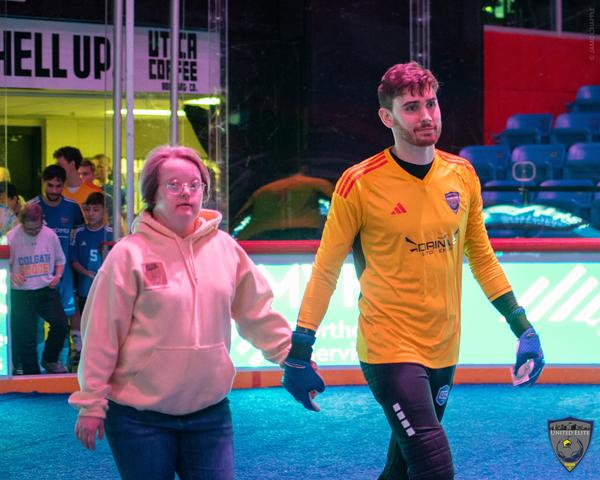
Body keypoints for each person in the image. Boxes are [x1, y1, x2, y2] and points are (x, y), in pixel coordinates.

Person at [282, 62, 545, 480]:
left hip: (444, 346)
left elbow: (482, 257)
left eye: (431, 103)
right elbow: (325, 271)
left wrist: (523, 328)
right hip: (388, 348)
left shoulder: (462, 174)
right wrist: (300, 349)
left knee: (402, 471)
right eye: (411, 107)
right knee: (434, 468)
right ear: (387, 117)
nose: (426, 116)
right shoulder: (358, 183)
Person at [68, 145, 291, 480]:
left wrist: (290, 356)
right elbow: (102, 334)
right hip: (138, 417)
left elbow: (256, 312)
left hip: (209, 413)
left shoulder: (225, 249)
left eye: (194, 185)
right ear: (152, 194)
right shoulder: (128, 255)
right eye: (173, 185)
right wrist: (91, 402)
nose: (186, 192)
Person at [31, 165, 85, 368]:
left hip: (64, 276)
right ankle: (36, 365)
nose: (54, 190)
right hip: (37, 274)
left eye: (58, 186)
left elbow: (80, 236)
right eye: (50, 185)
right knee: (37, 322)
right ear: (43, 183)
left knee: (62, 321)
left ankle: (60, 365)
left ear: (64, 185)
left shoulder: (72, 207)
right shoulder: (32, 207)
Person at [7, 203, 68, 374]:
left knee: (61, 324)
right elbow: (3, 265)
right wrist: (11, 275)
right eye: (29, 229)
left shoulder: (49, 235)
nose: (34, 232)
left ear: (42, 221)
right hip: (21, 293)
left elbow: (60, 260)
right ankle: (31, 373)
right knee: (26, 337)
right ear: (21, 223)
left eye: (37, 228)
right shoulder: (12, 237)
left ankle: (49, 359)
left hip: (45, 289)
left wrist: (57, 276)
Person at [232, 164, 334, 240]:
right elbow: (337, 204)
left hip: (264, 234)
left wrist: (233, 237)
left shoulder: (261, 191)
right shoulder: (317, 183)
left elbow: (241, 217)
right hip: (306, 231)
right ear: (304, 168)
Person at [71, 192, 113, 329]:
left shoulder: (110, 233)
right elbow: (73, 261)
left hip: (105, 289)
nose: (90, 214)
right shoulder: (79, 233)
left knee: (104, 325)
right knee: (87, 324)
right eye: (87, 209)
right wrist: (87, 273)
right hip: (85, 289)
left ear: (104, 211)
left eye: (95, 210)